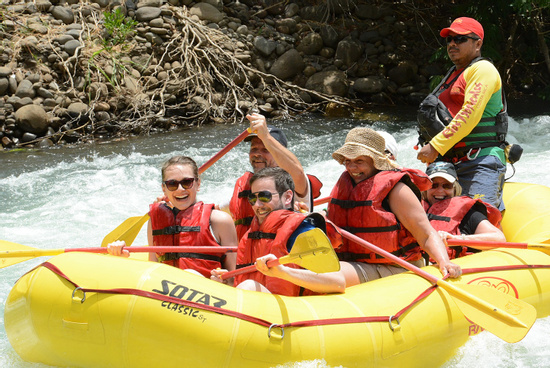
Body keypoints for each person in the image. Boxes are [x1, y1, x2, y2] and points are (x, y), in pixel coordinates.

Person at [326, 127, 462, 284]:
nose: (351, 167)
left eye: (359, 161)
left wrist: (444, 262)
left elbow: (426, 234)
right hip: (355, 262)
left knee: (326, 272)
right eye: (348, 161)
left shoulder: (396, 190)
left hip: (397, 266)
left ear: (376, 162)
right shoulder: (346, 184)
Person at [416, 17, 508, 211]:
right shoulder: (453, 73)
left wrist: (435, 146)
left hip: (480, 160)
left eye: (460, 39)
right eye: (449, 39)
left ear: (478, 43)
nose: (452, 43)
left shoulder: (483, 70)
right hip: (448, 161)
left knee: (478, 215)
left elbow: (470, 114)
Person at [212, 167, 346, 295]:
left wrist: (283, 272)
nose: (257, 205)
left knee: (249, 287)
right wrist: (230, 282)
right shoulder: (249, 236)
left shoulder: (302, 230)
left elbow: (337, 282)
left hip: (295, 309)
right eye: (253, 199)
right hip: (261, 305)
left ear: (288, 197)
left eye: (265, 197)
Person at [108, 156, 238, 279]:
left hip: (208, 293)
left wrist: (223, 280)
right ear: (164, 189)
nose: (180, 189)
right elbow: (152, 268)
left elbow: (234, 278)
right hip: (166, 292)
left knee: (189, 274)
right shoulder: (155, 219)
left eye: (187, 182)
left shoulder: (219, 221)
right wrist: (121, 257)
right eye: (172, 184)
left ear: (198, 184)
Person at [228, 113, 322, 240]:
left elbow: (298, 172)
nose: (257, 154)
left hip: (281, 257)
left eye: (266, 149)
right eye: (254, 149)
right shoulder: (246, 185)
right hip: (249, 256)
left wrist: (266, 137)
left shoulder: (291, 180)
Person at [422, 161, 505, 259]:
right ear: (425, 188)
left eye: (446, 186)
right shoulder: (414, 209)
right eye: (434, 185)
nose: (440, 191)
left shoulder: (469, 213)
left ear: (454, 188)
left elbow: (499, 239)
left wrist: (457, 238)